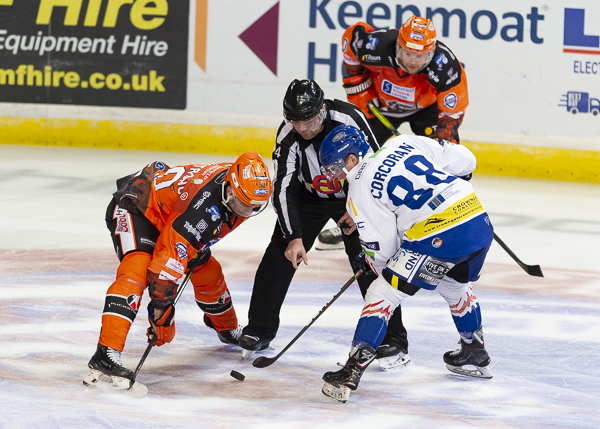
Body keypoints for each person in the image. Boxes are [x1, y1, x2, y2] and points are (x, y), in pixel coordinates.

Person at [239, 79, 411, 371]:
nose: (303, 129)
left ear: (322, 110)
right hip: (309, 198)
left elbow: (375, 164)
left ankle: (392, 338)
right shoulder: (289, 135)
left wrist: (359, 208)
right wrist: (293, 236)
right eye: (296, 122)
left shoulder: (349, 117)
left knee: (371, 259)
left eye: (309, 121)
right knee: (279, 254)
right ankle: (260, 328)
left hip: (352, 195)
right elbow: (283, 188)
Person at [317, 125, 494, 403]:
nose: (333, 175)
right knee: (455, 285)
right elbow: (466, 160)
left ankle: (352, 369)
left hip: (438, 234)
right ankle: (474, 349)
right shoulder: (402, 142)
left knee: (381, 293)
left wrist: (373, 262)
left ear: (352, 158)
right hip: (477, 220)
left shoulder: (359, 186)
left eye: (334, 167)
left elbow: (384, 250)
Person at [84, 152, 272, 390]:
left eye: (256, 206)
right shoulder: (200, 211)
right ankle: (105, 353)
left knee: (208, 272)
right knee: (136, 271)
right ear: (230, 190)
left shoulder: (242, 185)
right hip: (138, 208)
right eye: (244, 204)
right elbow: (163, 270)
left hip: (173, 214)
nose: (247, 211)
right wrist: (161, 316)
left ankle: (226, 328)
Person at [316, 15, 469, 250]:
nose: (413, 61)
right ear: (398, 45)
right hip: (382, 109)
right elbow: (350, 41)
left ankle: (447, 224)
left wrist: (442, 148)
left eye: (420, 56)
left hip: (426, 111)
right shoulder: (376, 46)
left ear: (431, 52)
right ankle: (352, 221)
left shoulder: (446, 67)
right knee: (355, 162)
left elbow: (451, 114)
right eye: (408, 53)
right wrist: (361, 95)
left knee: (446, 163)